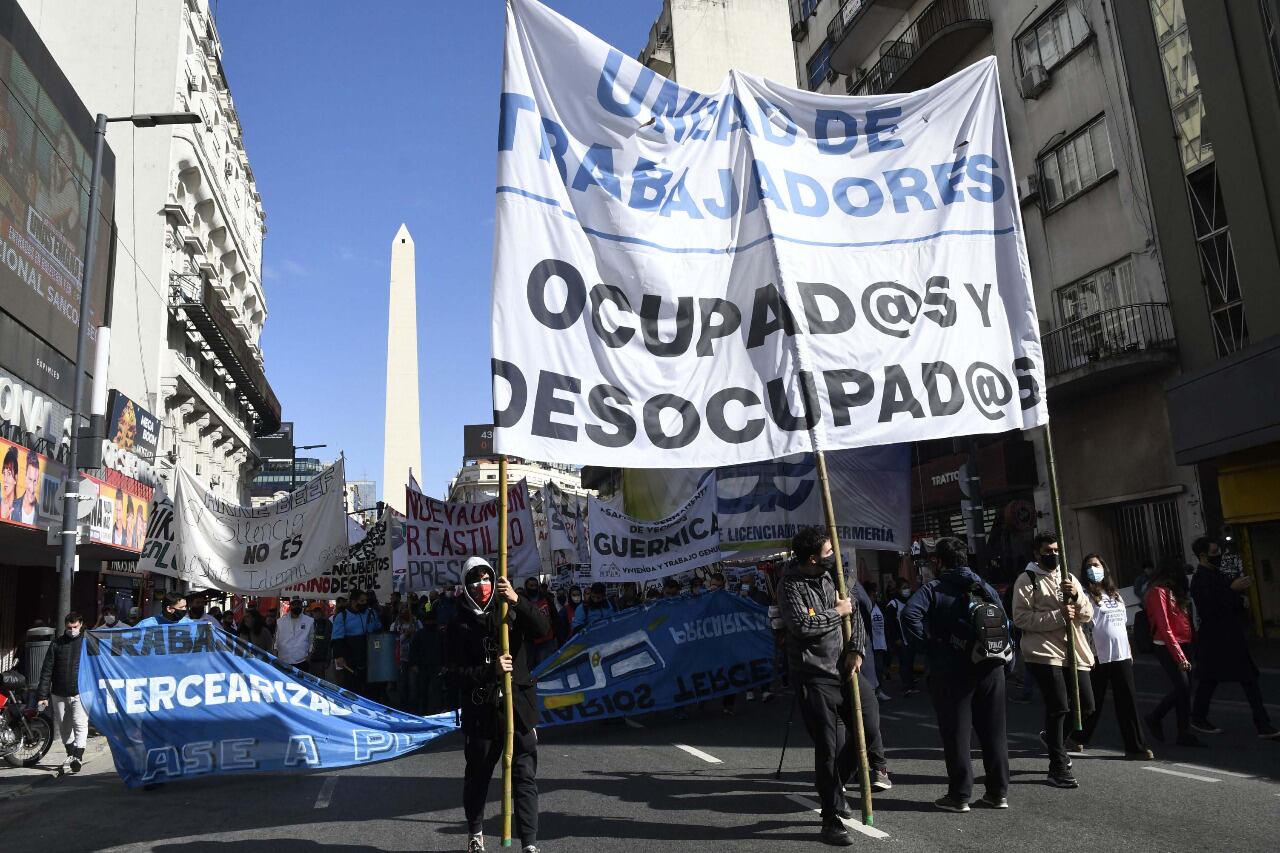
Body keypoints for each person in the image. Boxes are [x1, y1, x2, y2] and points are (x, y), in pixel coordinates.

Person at [779, 527, 890, 847]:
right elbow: (801, 626)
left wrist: (856, 650)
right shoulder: (790, 585)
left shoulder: (836, 578)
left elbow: (854, 617)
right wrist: (835, 612)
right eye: (829, 553)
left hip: (848, 672)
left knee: (867, 729)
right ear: (813, 558)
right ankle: (831, 817)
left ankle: (837, 785)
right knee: (829, 748)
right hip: (815, 677)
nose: (835, 557)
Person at [444, 557, 551, 853]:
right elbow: (452, 675)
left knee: (524, 776)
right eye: (475, 580)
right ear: (465, 585)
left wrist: (517, 600)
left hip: (518, 710)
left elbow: (543, 627)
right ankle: (476, 832)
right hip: (482, 712)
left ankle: (529, 843)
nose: (482, 586)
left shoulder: (509, 610)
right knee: (478, 776)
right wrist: (489, 671)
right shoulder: (458, 624)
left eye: (486, 577)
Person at [901, 537, 1010, 812]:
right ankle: (998, 793)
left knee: (957, 734)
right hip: (991, 666)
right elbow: (1005, 622)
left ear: (939, 561)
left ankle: (960, 795)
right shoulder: (983, 586)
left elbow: (908, 616)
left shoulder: (933, 589)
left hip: (952, 670)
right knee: (994, 732)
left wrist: (928, 647)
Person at [1011, 531, 1095, 788]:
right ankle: (1057, 766)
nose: (1054, 555)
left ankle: (1053, 738)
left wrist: (1077, 597)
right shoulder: (1027, 580)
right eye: (1048, 551)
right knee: (1059, 705)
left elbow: (1087, 615)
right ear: (1037, 553)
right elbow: (1021, 618)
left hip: (1074, 650)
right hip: (1043, 651)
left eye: (1057, 550)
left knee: (1087, 705)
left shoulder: (1068, 577)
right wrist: (1058, 616)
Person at [1188, 537, 1279, 739]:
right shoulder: (1201, 579)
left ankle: (1262, 723)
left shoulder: (1217, 575)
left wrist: (1240, 597)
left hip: (1230, 635)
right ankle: (1198, 717)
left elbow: (1229, 601)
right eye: (1214, 553)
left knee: (1245, 679)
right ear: (1203, 555)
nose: (1218, 556)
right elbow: (1210, 608)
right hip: (1215, 638)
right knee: (1210, 679)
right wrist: (1232, 591)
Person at [1077, 554, 1153, 759]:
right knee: (1091, 703)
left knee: (1127, 702)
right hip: (1097, 656)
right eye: (1089, 566)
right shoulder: (1084, 595)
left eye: (1096, 564)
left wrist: (1128, 651)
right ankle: (1076, 737)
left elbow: (1120, 624)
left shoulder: (1115, 594)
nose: (1093, 569)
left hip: (1121, 656)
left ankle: (1135, 747)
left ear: (1104, 567)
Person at [1143, 555, 1201, 746]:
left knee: (1185, 689)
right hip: (1167, 645)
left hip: (1183, 642)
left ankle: (1183, 732)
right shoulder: (1158, 591)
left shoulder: (1175, 590)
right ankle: (1155, 717)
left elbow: (1185, 620)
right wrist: (1180, 656)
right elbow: (1164, 626)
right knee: (1183, 687)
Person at [36, 612, 87, 775]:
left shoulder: (87, 643)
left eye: (75, 627)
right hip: (59, 692)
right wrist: (43, 696)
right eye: (69, 627)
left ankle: (78, 757)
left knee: (80, 723)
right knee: (64, 727)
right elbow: (47, 670)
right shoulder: (57, 644)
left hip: (81, 692)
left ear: (81, 624)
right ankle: (70, 753)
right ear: (65, 626)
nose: (72, 630)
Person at [331, 589, 382, 696]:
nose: (365, 603)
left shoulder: (371, 613)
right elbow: (337, 638)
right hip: (350, 655)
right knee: (352, 686)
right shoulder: (342, 616)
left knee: (371, 688)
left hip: (369, 654)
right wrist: (339, 656)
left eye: (366, 600)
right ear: (353, 601)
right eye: (362, 601)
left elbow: (378, 628)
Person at [882, 579, 918, 695]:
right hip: (901, 639)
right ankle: (906, 686)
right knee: (904, 662)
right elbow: (890, 624)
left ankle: (910, 682)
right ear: (898, 590)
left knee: (910, 661)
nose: (906, 590)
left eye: (907, 587)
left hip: (911, 638)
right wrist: (896, 638)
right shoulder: (893, 604)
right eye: (903, 587)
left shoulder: (910, 601)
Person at [411, 607, 446, 713]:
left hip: (436, 665)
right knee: (423, 690)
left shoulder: (439, 634)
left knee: (435, 690)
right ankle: (424, 710)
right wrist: (414, 664)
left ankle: (434, 710)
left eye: (431, 620)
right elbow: (414, 650)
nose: (430, 622)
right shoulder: (420, 634)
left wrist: (445, 665)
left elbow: (444, 649)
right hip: (423, 666)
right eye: (428, 620)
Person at [391, 602, 422, 709]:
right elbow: (393, 641)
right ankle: (402, 706)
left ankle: (413, 707)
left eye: (406, 608)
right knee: (401, 684)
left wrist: (414, 634)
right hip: (400, 659)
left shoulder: (417, 623)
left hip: (414, 659)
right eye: (402, 608)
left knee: (413, 684)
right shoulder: (394, 625)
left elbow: (421, 639)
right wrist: (405, 635)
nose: (404, 610)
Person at [522, 576, 558, 668]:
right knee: (531, 667)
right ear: (526, 587)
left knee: (545, 667)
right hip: (531, 641)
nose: (533, 588)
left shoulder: (546, 598)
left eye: (535, 585)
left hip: (547, 640)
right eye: (531, 585)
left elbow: (554, 616)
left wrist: (555, 634)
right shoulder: (523, 600)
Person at [275, 597, 316, 670]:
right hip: (283, 659)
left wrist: (309, 656)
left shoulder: (309, 621)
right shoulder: (280, 622)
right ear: (290, 606)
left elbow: (312, 639)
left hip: (302, 661)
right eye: (294, 604)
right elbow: (276, 640)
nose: (297, 606)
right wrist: (275, 653)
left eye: (298, 604)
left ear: (301, 605)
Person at [868, 589, 891, 702]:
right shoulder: (865, 609)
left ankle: (879, 690)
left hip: (880, 643)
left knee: (879, 668)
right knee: (874, 669)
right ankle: (874, 692)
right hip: (871, 644)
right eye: (872, 595)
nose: (874, 597)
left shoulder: (879, 607)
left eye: (875, 595)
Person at [308, 602, 332, 679]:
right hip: (308, 659)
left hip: (321, 660)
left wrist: (327, 659)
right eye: (314, 611)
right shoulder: (309, 623)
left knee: (320, 682)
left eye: (318, 611)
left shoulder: (327, 624)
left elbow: (329, 643)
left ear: (322, 612)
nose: (316, 613)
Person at [15, 452, 39, 525]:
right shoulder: (13, 506)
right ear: (25, 478)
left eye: (34, 481)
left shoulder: (40, 512)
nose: (32, 487)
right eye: (30, 479)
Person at [0, 445, 18, 520]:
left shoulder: (20, 509)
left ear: (15, 478)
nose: (5, 479)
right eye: (4, 473)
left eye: (9, 473)